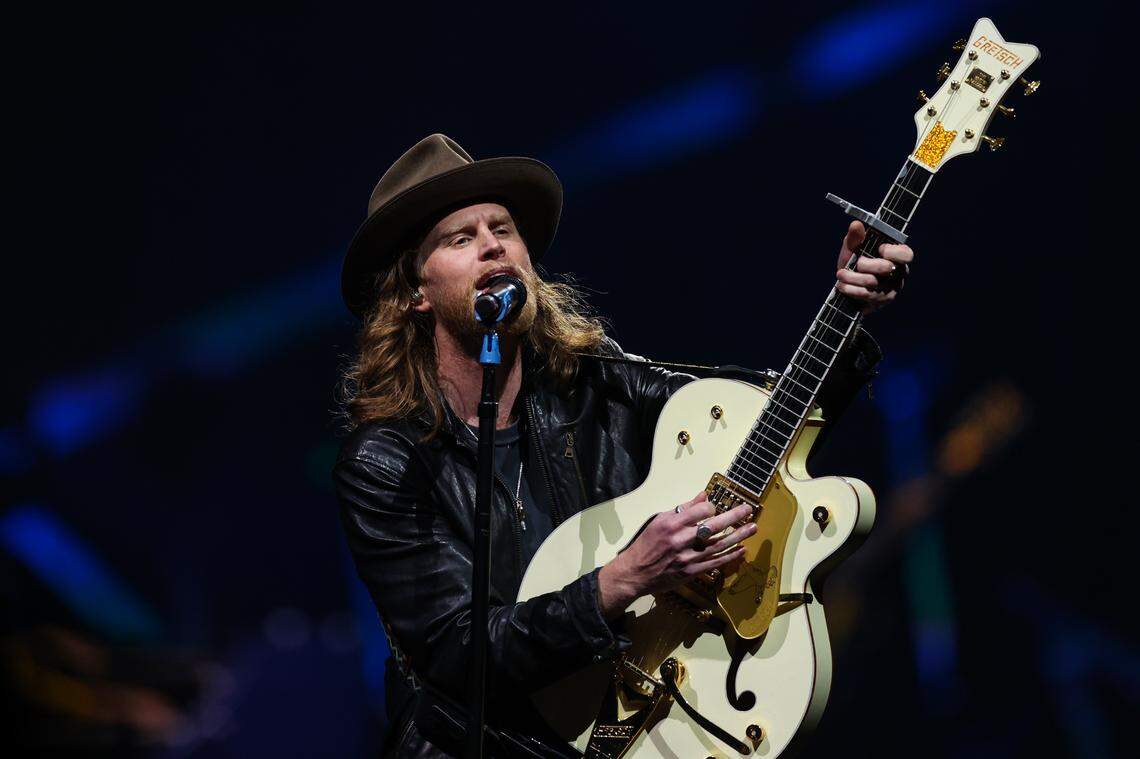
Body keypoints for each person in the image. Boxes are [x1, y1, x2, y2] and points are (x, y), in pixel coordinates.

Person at [333, 134, 913, 758]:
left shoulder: (595, 385)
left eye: (502, 228)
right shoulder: (385, 462)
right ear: (414, 293)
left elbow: (761, 426)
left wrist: (846, 316)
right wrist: (624, 578)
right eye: (460, 238)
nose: (493, 245)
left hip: (633, 726)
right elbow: (459, 653)